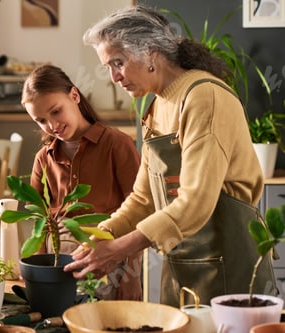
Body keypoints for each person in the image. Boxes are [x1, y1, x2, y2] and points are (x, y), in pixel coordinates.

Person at [63, 5, 278, 306]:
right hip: (184, 263)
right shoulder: (158, 104)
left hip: (231, 265)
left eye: (118, 63)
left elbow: (196, 201)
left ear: (150, 53)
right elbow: (144, 199)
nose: (113, 77)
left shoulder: (204, 97)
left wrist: (122, 248)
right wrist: (104, 235)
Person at [21, 64, 142, 300]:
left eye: (56, 111)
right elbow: (38, 222)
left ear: (74, 96)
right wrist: (36, 273)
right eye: (41, 120)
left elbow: (139, 213)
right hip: (58, 267)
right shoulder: (42, 159)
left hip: (110, 262)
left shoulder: (117, 144)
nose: (52, 126)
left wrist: (132, 276)